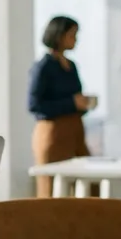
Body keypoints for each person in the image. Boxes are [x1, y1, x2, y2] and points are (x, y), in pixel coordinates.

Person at [29, 16, 94, 198]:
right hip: (53, 136)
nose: (76, 39)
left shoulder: (71, 66)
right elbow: (34, 105)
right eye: (72, 35)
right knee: (51, 191)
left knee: (88, 186)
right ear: (59, 36)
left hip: (75, 134)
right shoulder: (43, 67)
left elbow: (75, 97)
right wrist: (71, 103)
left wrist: (83, 104)